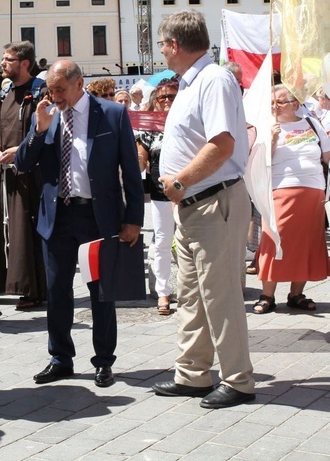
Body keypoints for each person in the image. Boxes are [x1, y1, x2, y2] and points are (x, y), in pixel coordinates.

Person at [15, 60, 144, 388]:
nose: (54, 96)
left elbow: (130, 169)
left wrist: (133, 219)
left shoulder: (111, 114)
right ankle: (60, 358)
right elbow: (22, 163)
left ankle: (103, 361)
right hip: (57, 217)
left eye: (60, 89)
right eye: (50, 90)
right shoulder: (46, 116)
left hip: (96, 217)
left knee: (101, 293)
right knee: (57, 291)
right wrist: (39, 130)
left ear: (79, 83)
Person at [153, 9, 255, 409]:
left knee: (222, 296)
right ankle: (193, 373)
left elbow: (222, 145)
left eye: (162, 45)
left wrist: (180, 182)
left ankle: (238, 380)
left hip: (214, 202)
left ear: (175, 45)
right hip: (196, 205)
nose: (161, 52)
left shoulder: (213, 80)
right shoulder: (193, 82)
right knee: (191, 295)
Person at [251, 85, 330, 314]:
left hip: (313, 191)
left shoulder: (312, 124)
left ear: (294, 104)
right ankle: (267, 295)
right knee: (274, 239)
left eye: (280, 102)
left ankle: (296, 294)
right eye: (272, 103)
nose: (275, 107)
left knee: (306, 242)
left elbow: (326, 155)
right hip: (280, 190)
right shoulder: (267, 127)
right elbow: (258, 162)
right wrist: (272, 140)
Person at [0, 40, 46, 313]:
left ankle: (29, 289)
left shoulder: (40, 92)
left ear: (24, 63)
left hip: (27, 171)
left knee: (22, 230)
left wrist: (20, 150)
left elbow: (45, 131)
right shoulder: (4, 91)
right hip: (2, 169)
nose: (3, 63)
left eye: (8, 59)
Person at [136, 79, 178, 315]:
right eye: (162, 97)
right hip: (161, 190)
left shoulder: (190, 121)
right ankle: (163, 292)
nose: (166, 101)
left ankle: (194, 291)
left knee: (192, 241)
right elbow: (141, 158)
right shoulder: (149, 127)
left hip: (190, 189)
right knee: (162, 241)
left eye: (171, 96)